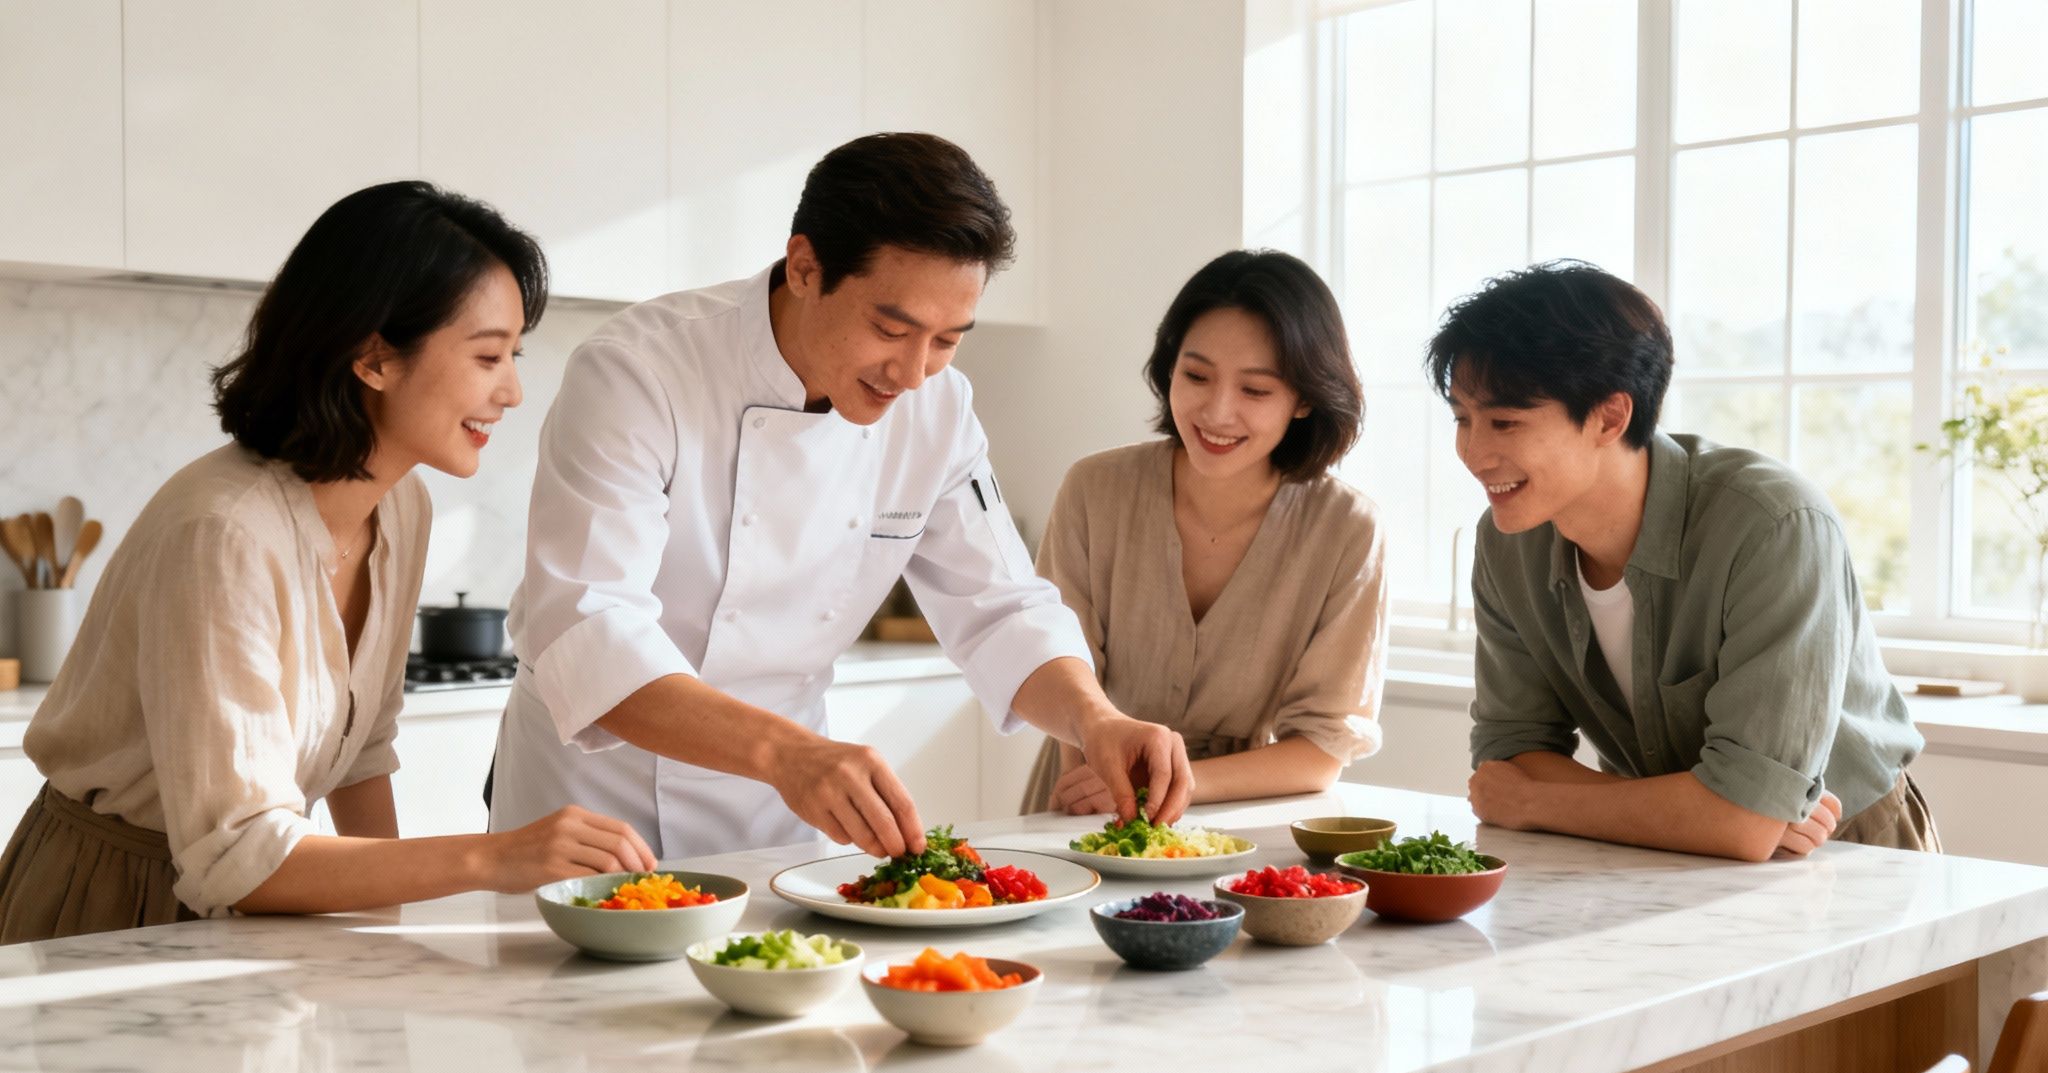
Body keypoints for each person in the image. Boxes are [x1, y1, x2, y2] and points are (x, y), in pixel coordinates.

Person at [489, 133, 1192, 860]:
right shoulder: (640, 372)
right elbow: (587, 625)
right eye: (892, 328)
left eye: (949, 339)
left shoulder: (939, 408)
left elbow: (1002, 607)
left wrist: (1094, 718)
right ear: (804, 268)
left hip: (775, 812)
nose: (915, 373)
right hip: (596, 799)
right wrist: (789, 754)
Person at [0, 181, 657, 944]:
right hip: (110, 907)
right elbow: (236, 854)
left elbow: (360, 752)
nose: (511, 391)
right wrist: (492, 857)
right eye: (487, 356)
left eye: (514, 354)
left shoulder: (400, 507)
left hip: (261, 901)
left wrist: (385, 933)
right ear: (375, 357)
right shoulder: (223, 532)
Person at [1435, 260, 1938, 861]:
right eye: (1462, 419)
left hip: (1852, 849)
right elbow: (1509, 751)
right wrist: (1705, 813)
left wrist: (1536, 803)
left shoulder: (1773, 524)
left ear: (1610, 416)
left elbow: (1740, 824)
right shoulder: (1507, 540)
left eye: (1505, 422)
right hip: (1661, 854)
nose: (1473, 452)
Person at [1022, 250, 1388, 814]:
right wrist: (1107, 785)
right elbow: (1060, 671)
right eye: (1196, 376)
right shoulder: (1095, 490)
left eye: (1256, 390)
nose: (1217, 412)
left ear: (1305, 399)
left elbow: (1320, 752)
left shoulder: (1347, 529)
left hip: (1239, 811)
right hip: (1089, 792)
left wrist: (1163, 786)